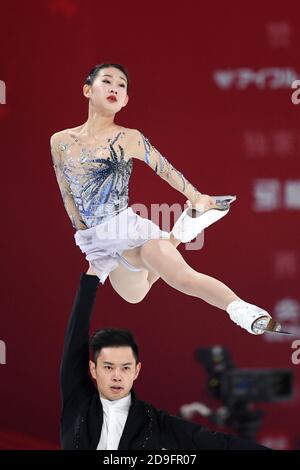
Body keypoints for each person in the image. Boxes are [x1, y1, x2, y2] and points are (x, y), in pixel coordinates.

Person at [50, 62, 281, 335]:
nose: (114, 88)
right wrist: (88, 242)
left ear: (125, 101)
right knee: (136, 295)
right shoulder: (60, 141)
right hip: (99, 242)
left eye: (121, 85)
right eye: (107, 81)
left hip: (131, 231)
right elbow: (67, 193)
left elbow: (165, 168)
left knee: (182, 277)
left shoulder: (129, 138)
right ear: (87, 90)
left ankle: (243, 310)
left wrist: (197, 197)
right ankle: (184, 230)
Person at [60, 266, 269, 450]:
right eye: (108, 367)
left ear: (136, 371)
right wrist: (92, 277)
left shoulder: (154, 423)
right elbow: (75, 337)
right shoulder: (78, 403)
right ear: (94, 369)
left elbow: (218, 444)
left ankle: (178, 237)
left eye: (125, 368)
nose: (117, 376)